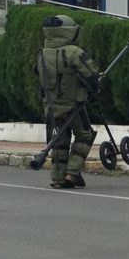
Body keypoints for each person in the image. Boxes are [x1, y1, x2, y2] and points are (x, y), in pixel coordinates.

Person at [36, 15, 99, 189]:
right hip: (73, 105)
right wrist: (95, 87)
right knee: (84, 135)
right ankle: (72, 173)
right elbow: (91, 75)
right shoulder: (74, 52)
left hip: (51, 107)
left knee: (59, 141)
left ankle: (57, 178)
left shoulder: (42, 53)